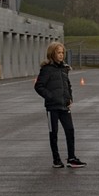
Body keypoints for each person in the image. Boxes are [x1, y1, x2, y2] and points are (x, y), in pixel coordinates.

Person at [34, 41, 83, 169]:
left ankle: (71, 158)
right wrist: (51, 97)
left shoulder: (64, 69)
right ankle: (56, 159)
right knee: (53, 133)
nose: (61, 55)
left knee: (70, 130)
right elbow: (38, 86)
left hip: (64, 106)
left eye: (62, 53)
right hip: (52, 107)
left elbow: (68, 85)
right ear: (52, 54)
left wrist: (69, 98)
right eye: (58, 53)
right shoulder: (46, 69)